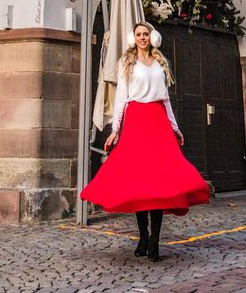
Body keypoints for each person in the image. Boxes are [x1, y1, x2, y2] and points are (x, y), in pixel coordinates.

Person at [80, 21, 210, 261]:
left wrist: (175, 127)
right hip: (136, 121)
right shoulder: (126, 63)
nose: (142, 37)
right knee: (140, 183)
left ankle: (154, 241)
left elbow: (166, 98)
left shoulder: (161, 63)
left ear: (153, 37)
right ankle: (143, 235)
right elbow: (121, 98)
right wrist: (115, 129)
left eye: (146, 34)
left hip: (158, 121)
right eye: (139, 34)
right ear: (134, 38)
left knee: (159, 184)